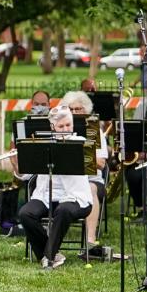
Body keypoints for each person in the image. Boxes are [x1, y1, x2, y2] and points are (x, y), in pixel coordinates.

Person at [17, 106, 93, 269]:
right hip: (45, 197)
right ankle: (50, 253)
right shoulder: (43, 143)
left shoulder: (80, 143)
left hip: (76, 198)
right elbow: (25, 174)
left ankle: (49, 257)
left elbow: (96, 165)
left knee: (63, 211)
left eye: (68, 125)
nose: (66, 129)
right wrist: (18, 159)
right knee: (25, 214)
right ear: (52, 127)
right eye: (61, 126)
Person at [60, 90, 107, 258]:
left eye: (78, 109)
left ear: (86, 110)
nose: (74, 113)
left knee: (91, 189)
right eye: (70, 109)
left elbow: (101, 163)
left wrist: (78, 153)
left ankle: (90, 239)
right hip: (65, 180)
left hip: (91, 178)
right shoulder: (60, 128)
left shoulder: (94, 130)